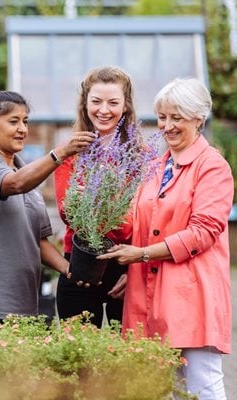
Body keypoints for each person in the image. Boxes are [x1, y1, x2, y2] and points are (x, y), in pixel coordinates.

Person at [98, 77, 234, 399]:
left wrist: (142, 255)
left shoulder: (212, 167)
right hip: (149, 293)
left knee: (202, 387)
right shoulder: (157, 167)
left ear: (199, 119)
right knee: (162, 388)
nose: (167, 126)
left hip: (193, 294)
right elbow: (137, 223)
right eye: (162, 117)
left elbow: (203, 231)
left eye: (177, 118)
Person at [0, 90, 96, 320]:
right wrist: (61, 152)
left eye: (25, 121)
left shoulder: (23, 171)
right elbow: (16, 184)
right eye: (13, 121)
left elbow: (38, 240)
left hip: (23, 304)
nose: (23, 129)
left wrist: (71, 271)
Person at [54, 66, 135, 327]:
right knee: (77, 360)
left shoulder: (140, 156)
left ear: (126, 106)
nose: (104, 110)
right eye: (96, 101)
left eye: (113, 102)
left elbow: (132, 225)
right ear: (85, 103)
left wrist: (93, 200)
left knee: (124, 363)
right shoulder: (71, 151)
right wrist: (102, 205)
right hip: (78, 266)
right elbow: (69, 215)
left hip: (124, 268)